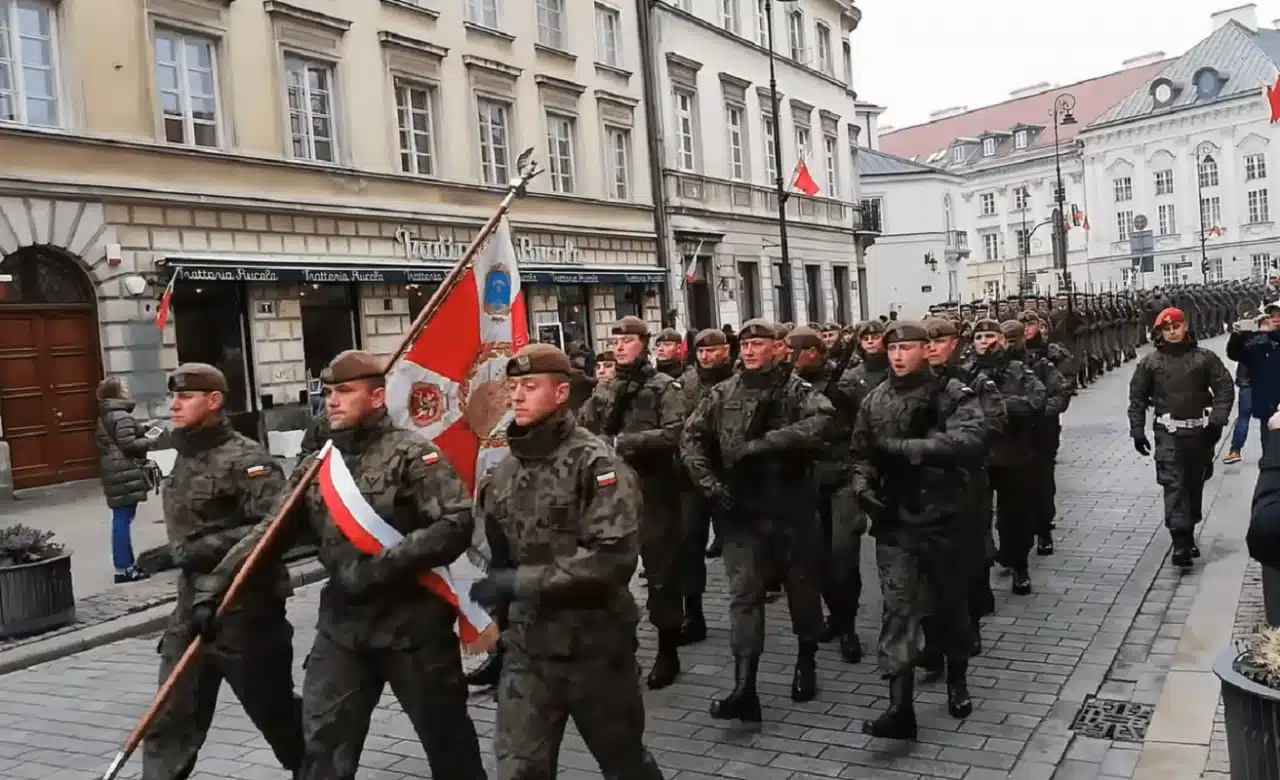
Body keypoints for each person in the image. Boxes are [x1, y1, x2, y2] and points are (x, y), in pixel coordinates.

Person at [197, 350, 486, 780]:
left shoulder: (412, 454)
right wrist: (217, 586)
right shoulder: (319, 464)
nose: (331, 401)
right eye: (328, 392)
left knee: (448, 744)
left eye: (345, 392)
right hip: (343, 629)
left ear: (376, 397)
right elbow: (271, 532)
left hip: (412, 626)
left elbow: (456, 522)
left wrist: (381, 567)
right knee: (323, 747)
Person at [469, 343, 665, 780]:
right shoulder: (504, 472)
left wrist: (521, 581)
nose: (516, 396)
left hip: (594, 649)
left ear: (560, 394)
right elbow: (493, 550)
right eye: (513, 387)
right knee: (519, 770)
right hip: (528, 653)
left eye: (530, 387)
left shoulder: (596, 464)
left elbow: (613, 559)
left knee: (624, 763)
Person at [143, 363, 304, 780]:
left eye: (186, 396)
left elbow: (274, 528)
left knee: (275, 714)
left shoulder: (248, 459)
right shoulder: (185, 454)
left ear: (214, 401)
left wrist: (195, 551)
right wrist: (173, 552)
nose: (174, 405)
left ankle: (317, 769)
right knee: (169, 718)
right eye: (173, 396)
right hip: (190, 609)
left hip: (246, 610)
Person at [681, 319, 833, 721]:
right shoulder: (722, 392)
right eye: (744, 344)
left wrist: (766, 444)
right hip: (740, 510)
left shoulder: (794, 390)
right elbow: (691, 437)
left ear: (778, 347)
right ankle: (744, 686)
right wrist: (709, 483)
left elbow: (821, 422)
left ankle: (806, 658)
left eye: (758, 343)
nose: (749, 350)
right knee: (743, 596)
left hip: (790, 508)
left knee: (802, 590)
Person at [850, 321, 986, 740]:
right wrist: (862, 487)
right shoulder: (874, 400)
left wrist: (909, 450)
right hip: (896, 525)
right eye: (892, 349)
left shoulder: (951, 395)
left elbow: (972, 440)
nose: (897, 356)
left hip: (945, 518)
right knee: (898, 610)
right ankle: (900, 707)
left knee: (950, 605)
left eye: (906, 348)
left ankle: (957, 678)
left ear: (927, 350)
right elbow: (859, 454)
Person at [578, 317, 687, 690]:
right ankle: (622, 647)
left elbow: (676, 434)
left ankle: (668, 651)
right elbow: (584, 426)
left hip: (654, 489)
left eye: (628, 340)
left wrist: (627, 443)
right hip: (611, 494)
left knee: (661, 574)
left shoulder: (662, 387)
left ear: (644, 342)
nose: (621, 346)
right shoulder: (605, 389)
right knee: (611, 573)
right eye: (617, 340)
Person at [1129, 307, 1233, 569]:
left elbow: (1224, 388)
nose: (1172, 332)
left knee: (1194, 484)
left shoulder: (1204, 358)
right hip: (1168, 435)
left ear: (1184, 326)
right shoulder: (1151, 363)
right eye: (1167, 329)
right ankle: (1180, 542)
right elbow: (1137, 398)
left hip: (1199, 433)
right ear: (1161, 332)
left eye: (1176, 326)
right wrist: (1137, 430)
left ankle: (1189, 530)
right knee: (1174, 486)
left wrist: (1217, 422)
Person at [95, 377, 156, 583]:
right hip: (123, 473)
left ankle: (125, 565)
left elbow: (120, 438)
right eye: (125, 388)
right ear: (117, 393)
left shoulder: (108, 415)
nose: (128, 390)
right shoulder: (121, 416)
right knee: (122, 520)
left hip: (114, 471)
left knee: (121, 519)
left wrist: (143, 428)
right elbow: (129, 445)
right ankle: (124, 568)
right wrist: (151, 440)